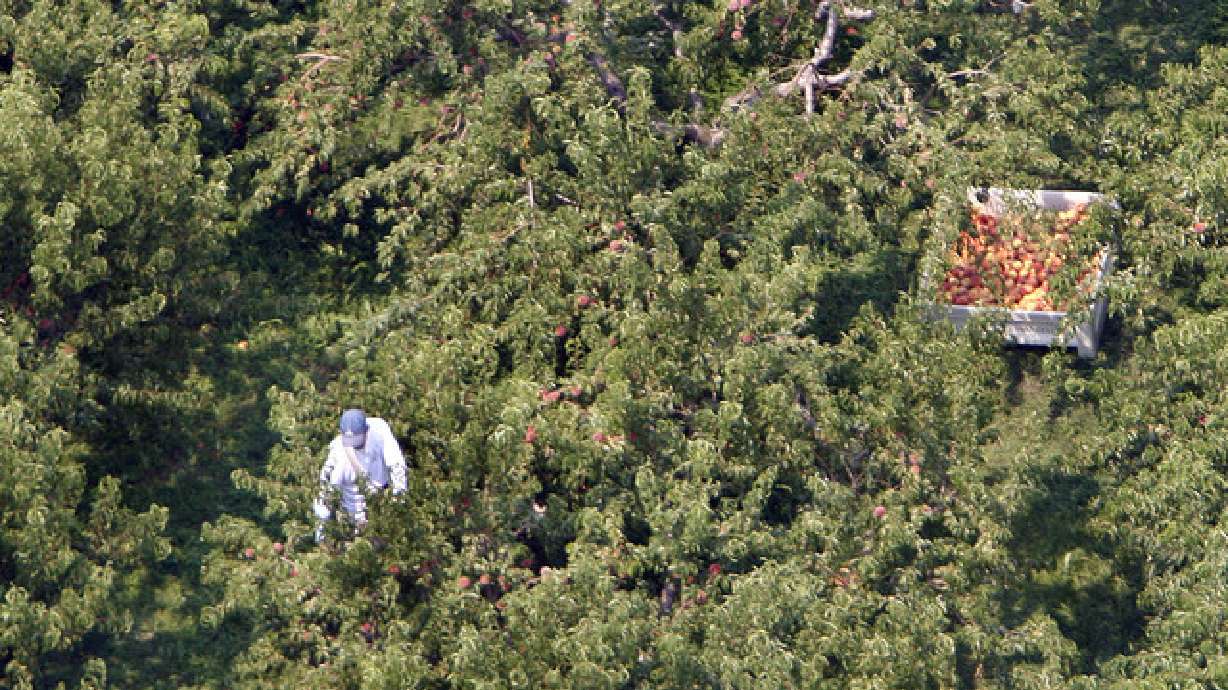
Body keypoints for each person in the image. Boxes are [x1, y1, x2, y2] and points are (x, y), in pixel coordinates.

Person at [313, 408, 407, 542]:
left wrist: (398, 502)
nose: (354, 446)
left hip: (379, 499)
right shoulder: (337, 453)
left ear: (366, 431)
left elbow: (397, 466)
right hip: (350, 508)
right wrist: (321, 532)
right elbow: (325, 490)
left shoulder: (379, 432)